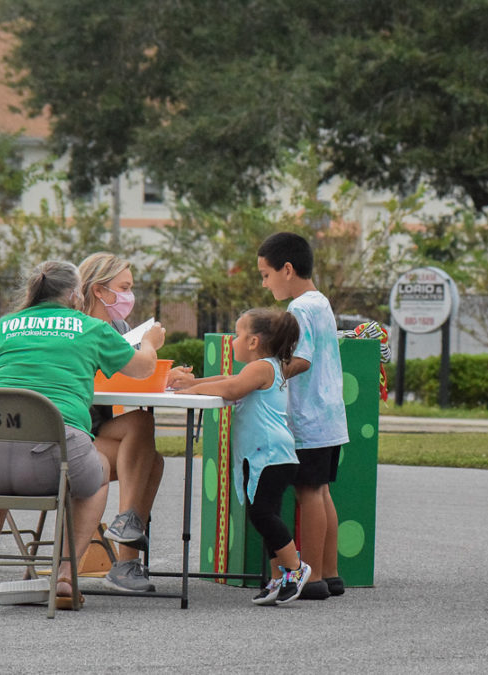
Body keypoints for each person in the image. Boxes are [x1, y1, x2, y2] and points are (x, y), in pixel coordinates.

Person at [0, 260, 165, 608]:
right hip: (53, 461)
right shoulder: (90, 328)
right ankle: (67, 576)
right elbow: (144, 368)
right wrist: (149, 342)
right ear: (75, 294)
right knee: (96, 473)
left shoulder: (3, 327)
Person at [174, 308, 312, 605]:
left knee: (262, 514)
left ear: (253, 341)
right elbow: (227, 378)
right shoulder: (266, 366)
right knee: (264, 515)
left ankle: (296, 569)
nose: (233, 341)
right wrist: (192, 384)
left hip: (271, 455)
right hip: (268, 456)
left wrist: (193, 388)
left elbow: (232, 386)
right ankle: (278, 578)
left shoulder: (262, 367)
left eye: (237, 335)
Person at [78, 252, 186, 593]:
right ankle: (126, 562)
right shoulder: (76, 327)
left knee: (147, 447)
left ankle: (126, 549)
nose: (129, 296)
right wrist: (150, 350)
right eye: (124, 287)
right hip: (75, 430)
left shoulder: (120, 328)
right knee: (145, 444)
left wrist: (164, 377)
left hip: (98, 426)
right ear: (99, 290)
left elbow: (126, 377)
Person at [258, 232, 350, 600]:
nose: (264, 283)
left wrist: (268, 371)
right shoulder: (320, 302)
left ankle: (309, 578)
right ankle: (329, 572)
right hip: (329, 416)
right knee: (322, 492)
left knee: (307, 493)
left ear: (288, 269)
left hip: (308, 418)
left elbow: (302, 359)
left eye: (266, 274)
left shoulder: (298, 309)